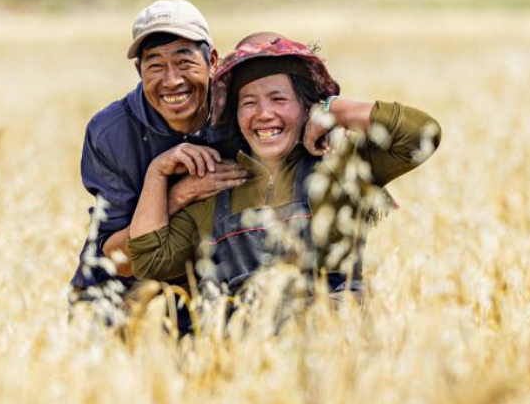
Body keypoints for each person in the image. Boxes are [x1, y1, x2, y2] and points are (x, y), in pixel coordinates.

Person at [127, 36, 441, 298]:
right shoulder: (215, 182)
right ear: (234, 115)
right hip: (250, 361)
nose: (263, 114)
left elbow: (421, 134)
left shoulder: (340, 167)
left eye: (278, 99)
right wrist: (157, 173)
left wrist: (334, 108)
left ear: (307, 107)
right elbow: (150, 261)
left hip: (336, 357)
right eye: (248, 102)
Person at [70, 0, 249, 306]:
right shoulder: (112, 133)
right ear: (139, 71)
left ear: (213, 61)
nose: (172, 80)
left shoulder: (246, 112)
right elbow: (116, 259)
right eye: (155, 66)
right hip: (124, 298)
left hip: (217, 295)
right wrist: (175, 190)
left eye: (185, 62)